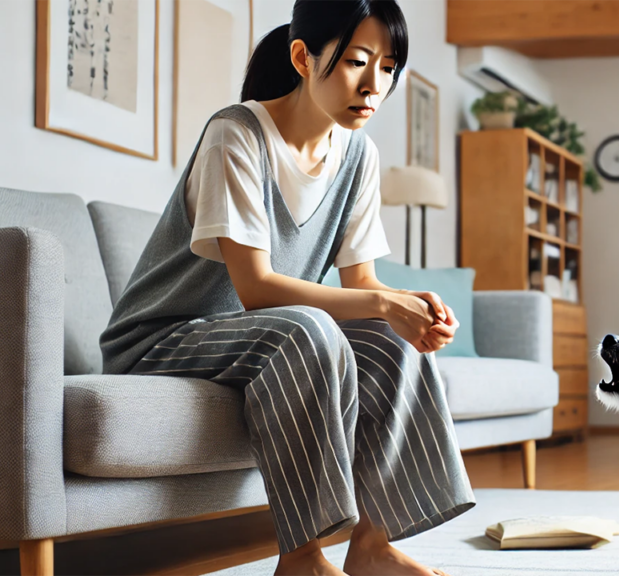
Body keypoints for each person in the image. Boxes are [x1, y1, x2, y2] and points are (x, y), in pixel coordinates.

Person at [99, 1, 474, 574]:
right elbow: (255, 288)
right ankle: (301, 558)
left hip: (256, 339)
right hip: (161, 340)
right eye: (356, 62)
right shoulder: (236, 134)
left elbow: (364, 283)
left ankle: (372, 546)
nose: (375, 85)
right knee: (310, 328)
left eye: (389, 66)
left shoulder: (359, 155)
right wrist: (381, 301)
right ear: (303, 56)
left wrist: (408, 310)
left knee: (392, 340)